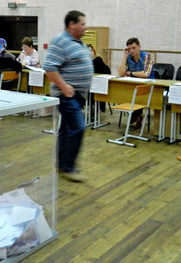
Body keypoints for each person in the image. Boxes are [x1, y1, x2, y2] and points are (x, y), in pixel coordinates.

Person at [44, 10, 93, 182]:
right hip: (67, 95)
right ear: (72, 24)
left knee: (66, 130)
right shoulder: (60, 41)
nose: (85, 27)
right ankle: (68, 167)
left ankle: (61, 164)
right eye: (83, 23)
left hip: (77, 95)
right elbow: (49, 68)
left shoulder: (79, 43)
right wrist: (64, 87)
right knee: (78, 127)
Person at [117, 37, 154, 128]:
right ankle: (137, 116)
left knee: (137, 95)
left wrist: (130, 73)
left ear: (139, 47)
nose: (131, 51)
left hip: (148, 86)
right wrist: (124, 57)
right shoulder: (128, 57)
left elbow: (145, 73)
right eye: (129, 49)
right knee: (124, 92)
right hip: (133, 85)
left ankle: (136, 115)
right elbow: (121, 73)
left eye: (134, 48)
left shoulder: (146, 56)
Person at [87, 44, 110, 112]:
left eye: (91, 51)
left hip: (99, 85)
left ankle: (94, 107)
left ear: (94, 52)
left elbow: (107, 71)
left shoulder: (98, 60)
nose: (90, 53)